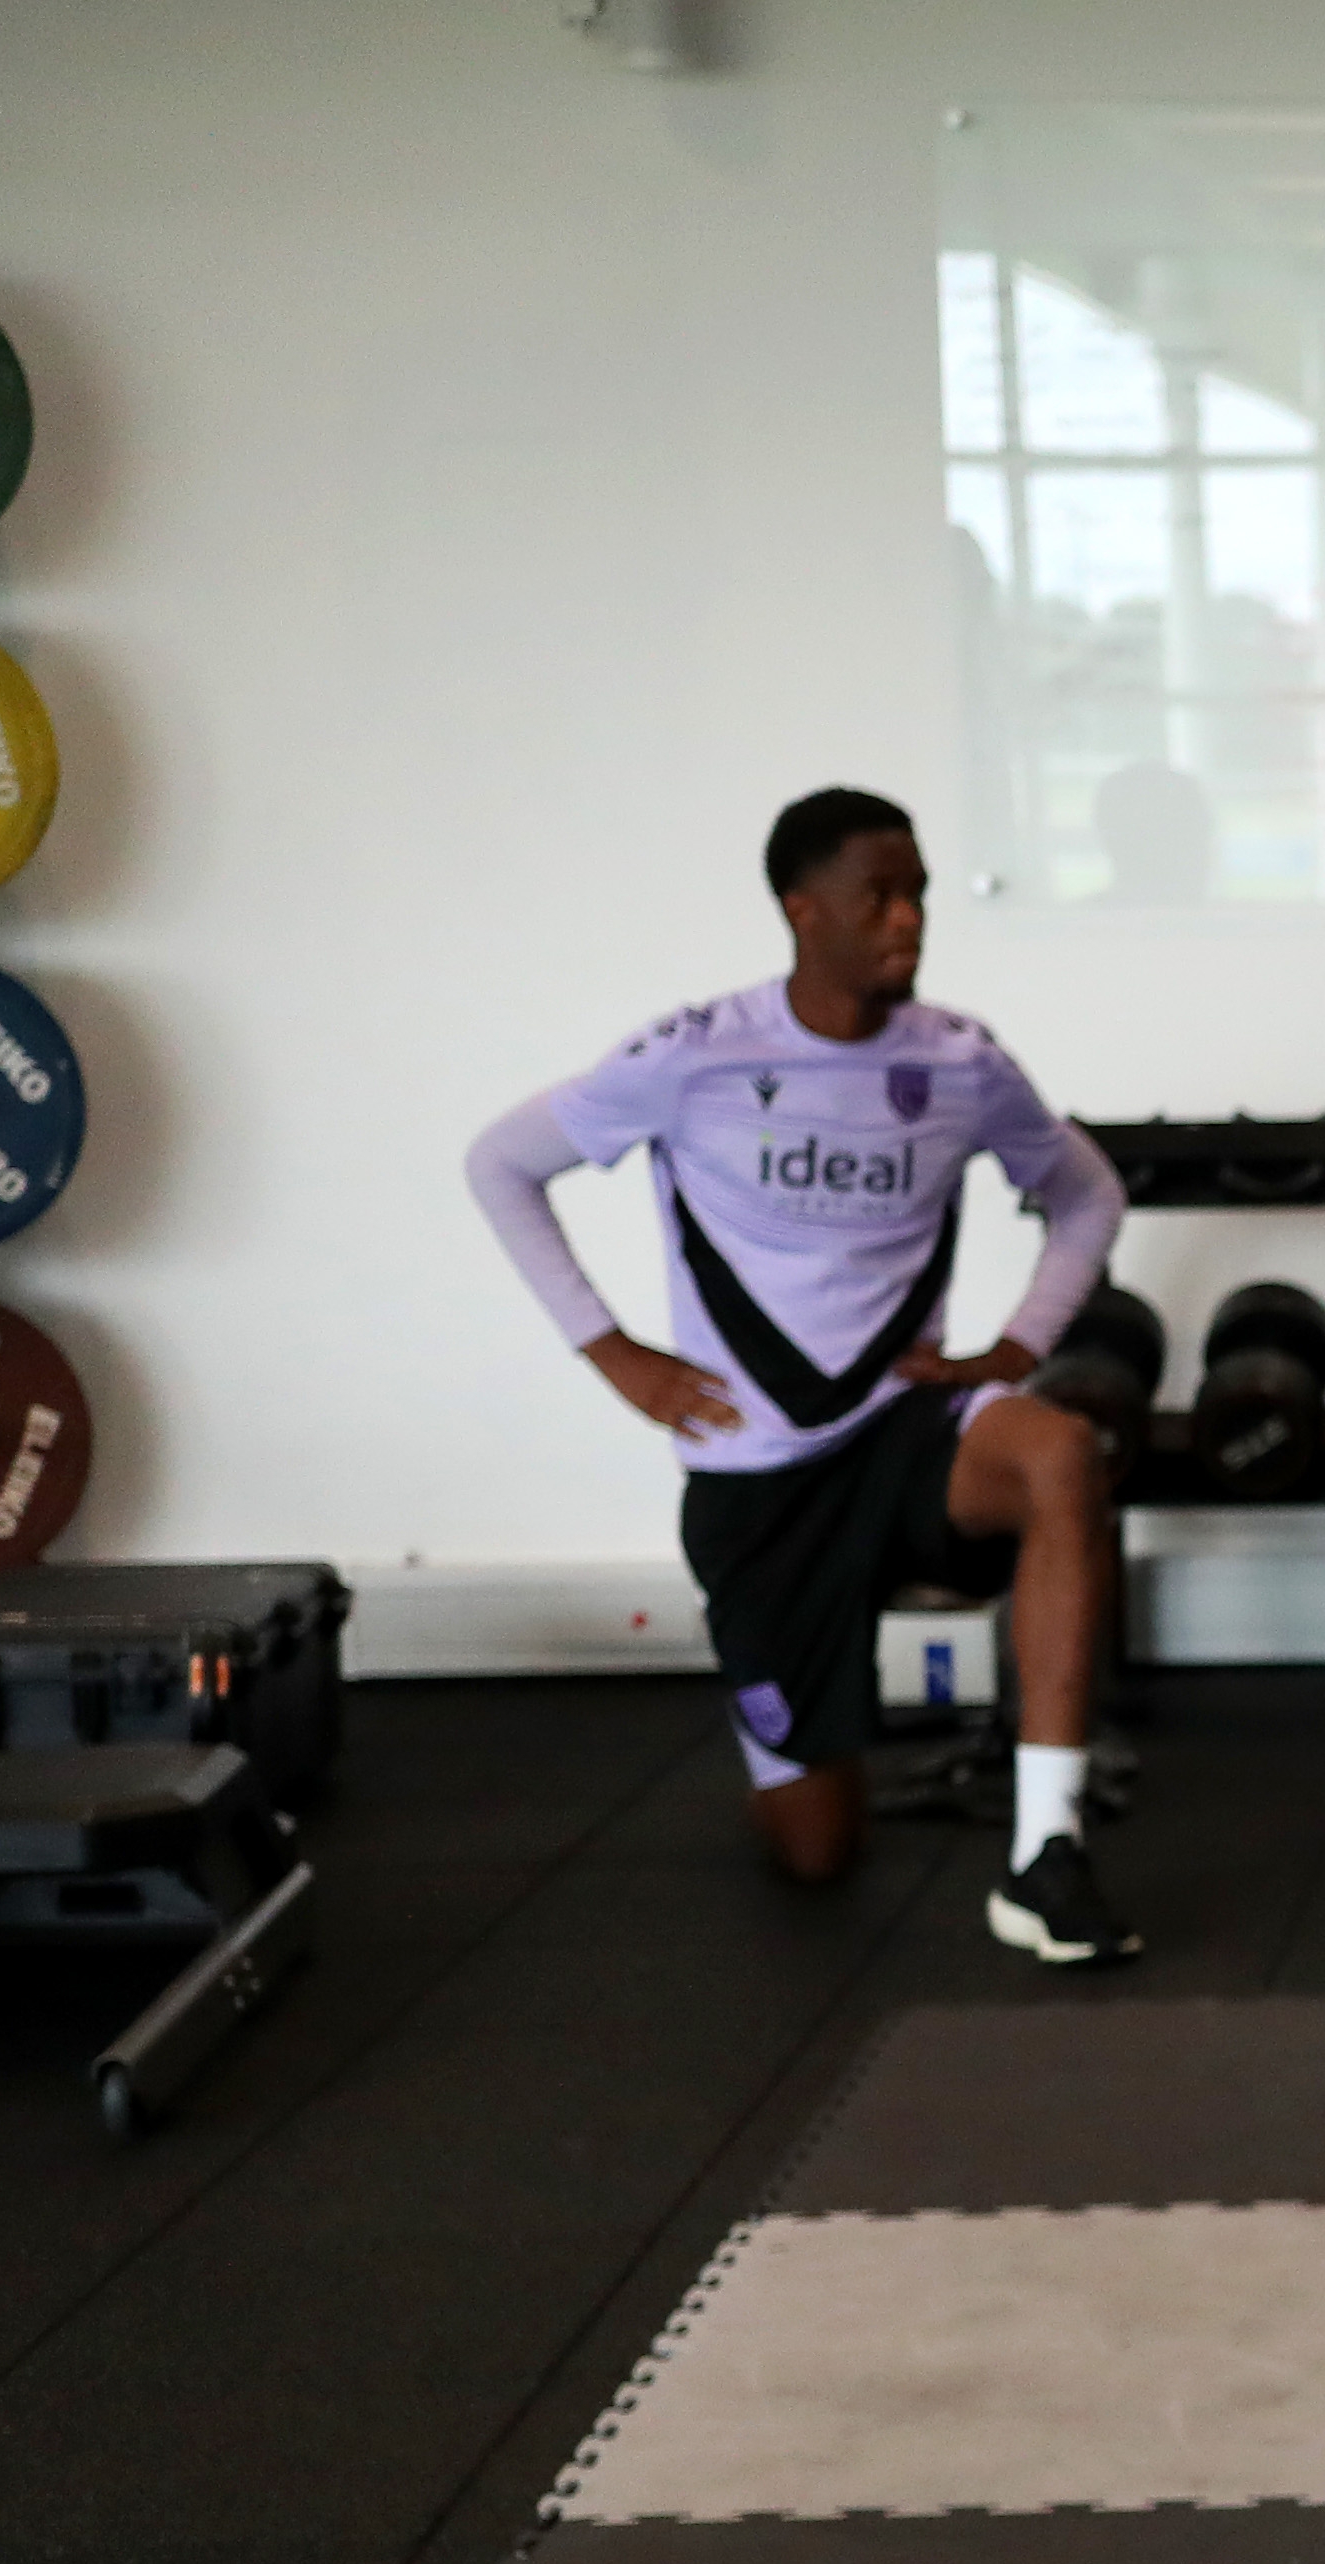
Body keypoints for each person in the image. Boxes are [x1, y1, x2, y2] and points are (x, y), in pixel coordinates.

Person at [465, 787, 1140, 1964]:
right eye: (880, 895)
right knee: (818, 1855)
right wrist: (613, 1352)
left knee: (1062, 1453)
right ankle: (791, 1736)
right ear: (802, 910)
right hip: (757, 1484)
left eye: (919, 892)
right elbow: (501, 1165)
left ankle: (1046, 1856)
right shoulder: (696, 1057)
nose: (908, 919)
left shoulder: (962, 1065)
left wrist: (1019, 1348)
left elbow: (1087, 1195)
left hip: (906, 1439)